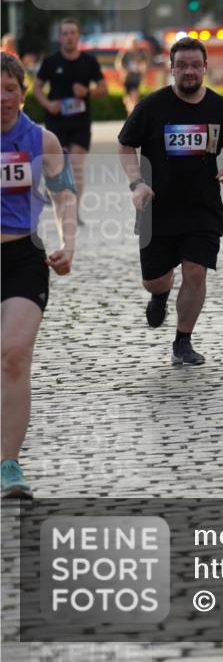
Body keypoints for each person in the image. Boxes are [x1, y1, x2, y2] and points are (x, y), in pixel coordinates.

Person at [117, 37, 223, 366]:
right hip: (156, 208)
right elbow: (125, 145)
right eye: (183, 66)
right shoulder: (152, 106)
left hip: (202, 207)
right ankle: (160, 294)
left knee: (196, 273)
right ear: (172, 68)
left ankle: (183, 340)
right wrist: (136, 183)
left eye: (196, 65)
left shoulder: (220, 108)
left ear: (205, 68)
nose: (189, 71)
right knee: (155, 278)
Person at [1, 53, 76, 498]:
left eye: (10, 89)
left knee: (13, 356)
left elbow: (64, 195)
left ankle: (9, 464)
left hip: (23, 259)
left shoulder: (42, 140)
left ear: (23, 92)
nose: (3, 97)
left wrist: (69, 243)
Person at [33, 18, 108, 217]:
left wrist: (87, 92)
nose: (68, 37)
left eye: (72, 33)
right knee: (59, 165)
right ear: (60, 37)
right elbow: (37, 87)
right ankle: (59, 200)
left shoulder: (88, 62)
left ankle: (74, 211)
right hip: (56, 120)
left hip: (80, 121)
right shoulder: (51, 62)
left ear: (78, 35)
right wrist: (48, 104)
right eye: (65, 33)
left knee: (76, 163)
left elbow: (103, 88)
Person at [116, 37, 148, 116]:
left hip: (136, 78)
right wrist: (124, 71)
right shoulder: (125, 53)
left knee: (135, 96)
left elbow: (145, 63)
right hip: (127, 79)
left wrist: (143, 69)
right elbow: (118, 63)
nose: (134, 45)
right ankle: (131, 112)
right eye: (132, 43)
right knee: (128, 99)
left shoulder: (140, 53)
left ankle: (133, 113)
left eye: (135, 43)